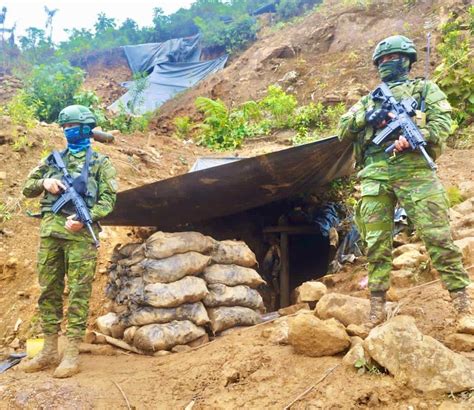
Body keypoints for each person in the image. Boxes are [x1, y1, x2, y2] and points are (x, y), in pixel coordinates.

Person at [337, 35, 472, 330]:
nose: (387, 63)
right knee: (375, 244)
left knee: (438, 237)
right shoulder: (369, 99)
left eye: (393, 58)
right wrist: (368, 116)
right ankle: (376, 308)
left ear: (408, 60)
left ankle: (462, 304)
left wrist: (417, 136)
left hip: (416, 172)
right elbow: (342, 129)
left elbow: (443, 124)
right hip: (375, 174)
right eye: (382, 60)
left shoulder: (425, 90)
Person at [20, 105, 117, 378]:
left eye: (71, 126)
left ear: (86, 128)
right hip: (51, 233)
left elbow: (109, 201)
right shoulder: (52, 160)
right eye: (64, 128)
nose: (67, 131)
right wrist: (46, 182)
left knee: (78, 293)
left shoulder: (100, 164)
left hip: (80, 237)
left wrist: (86, 218)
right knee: (49, 290)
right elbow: (28, 188)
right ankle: (49, 349)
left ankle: (72, 353)